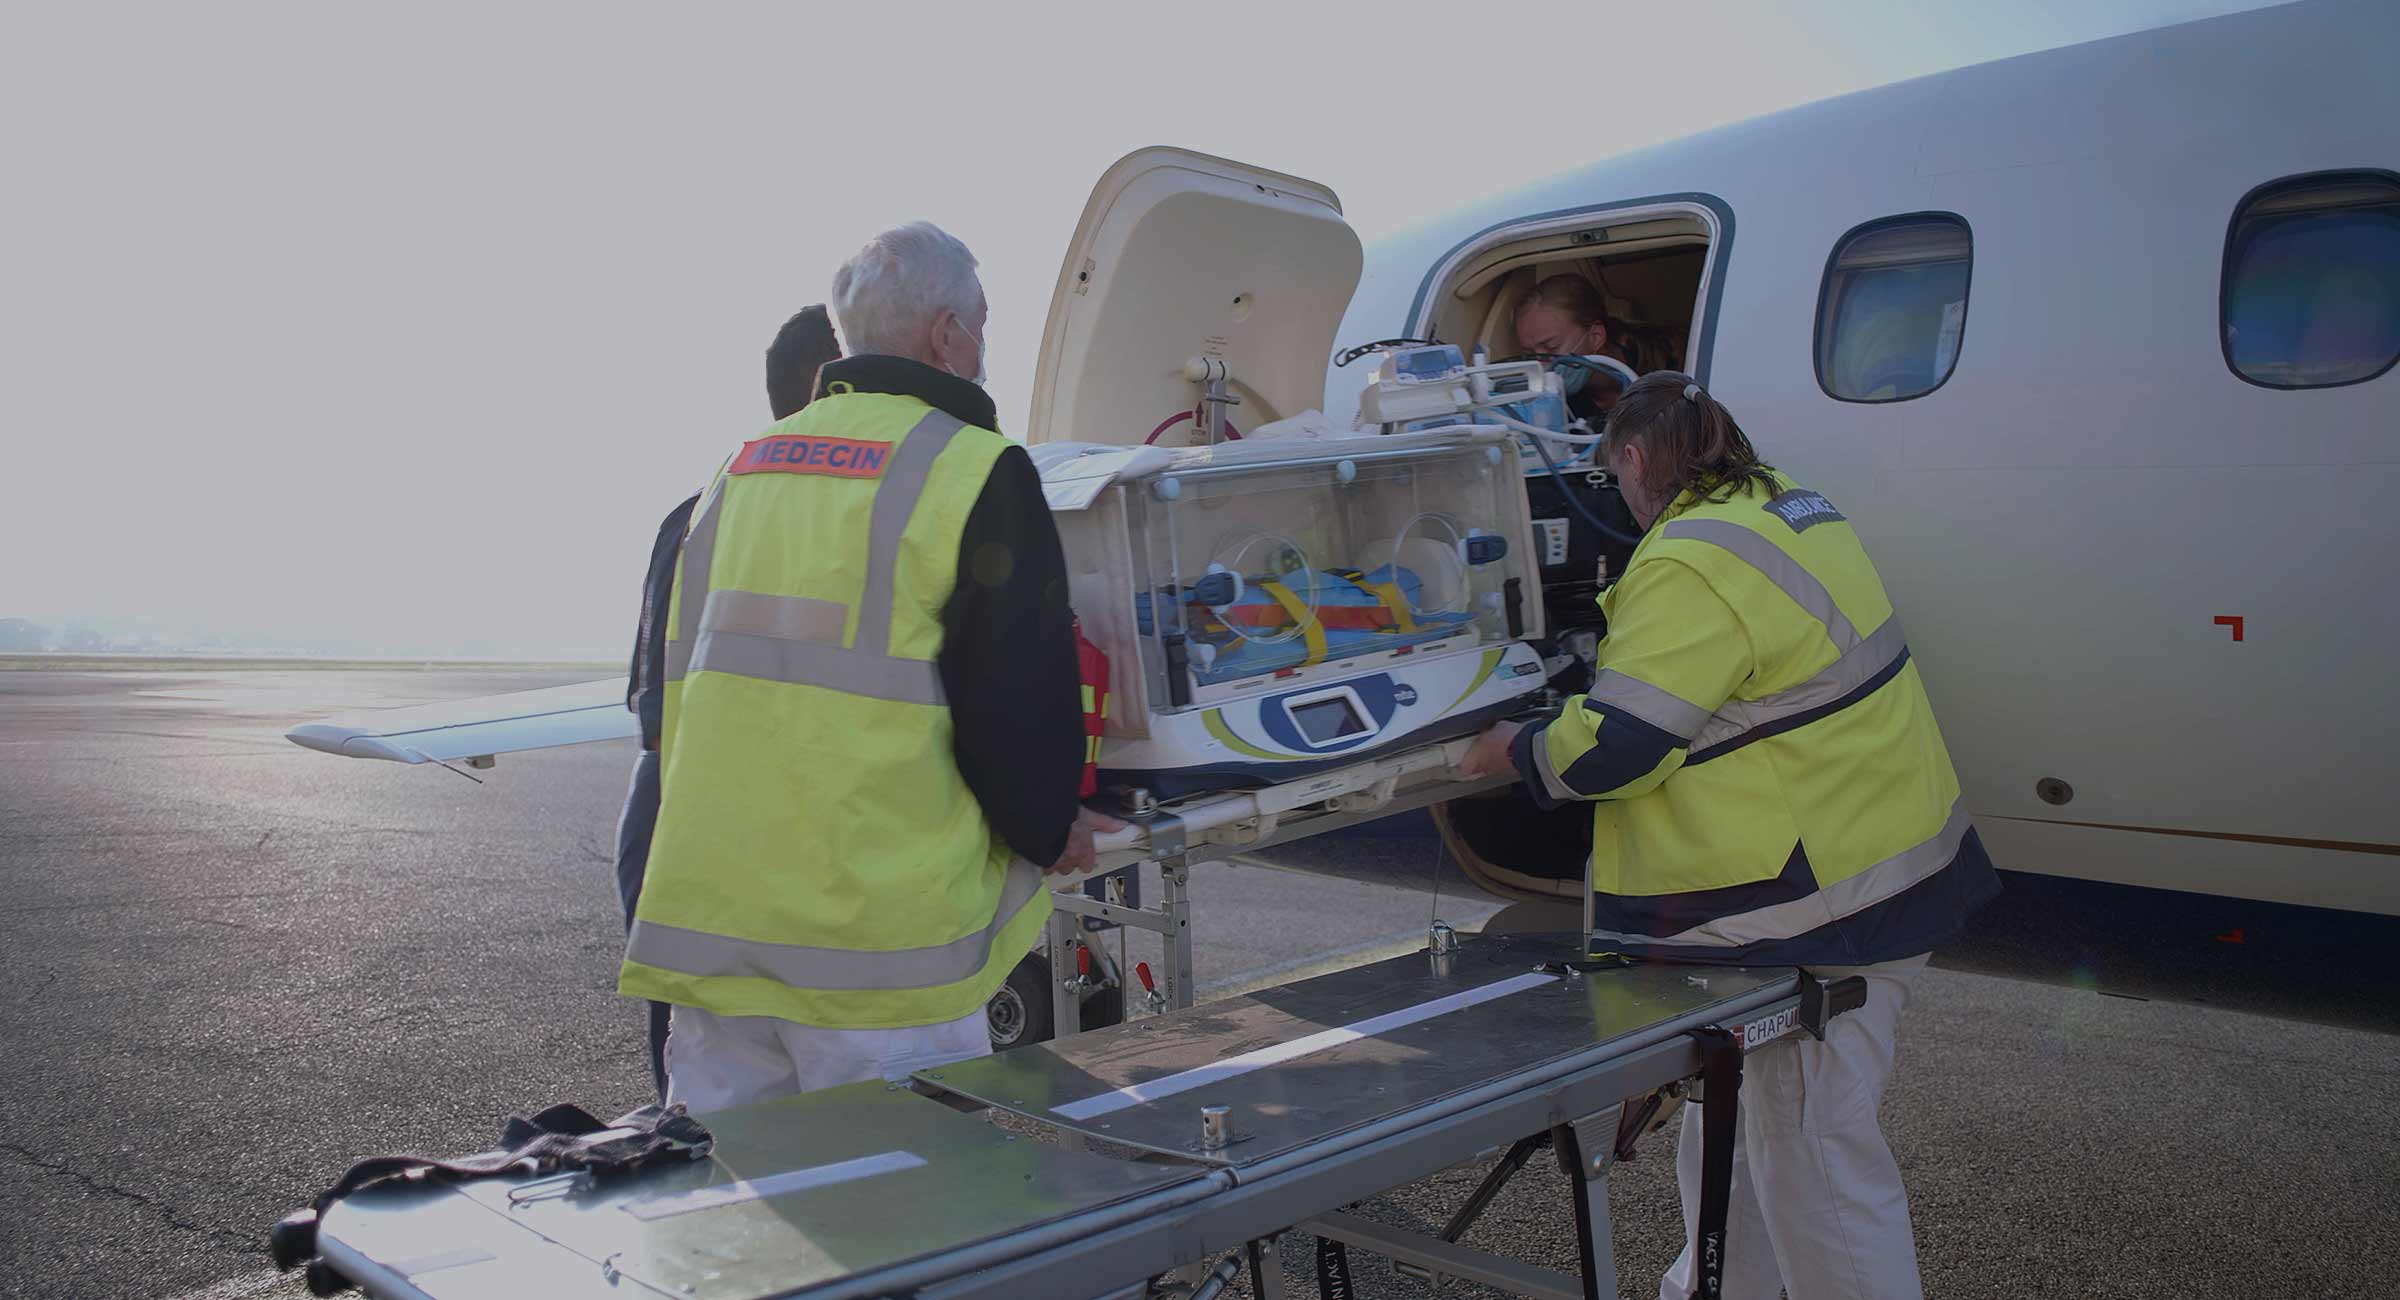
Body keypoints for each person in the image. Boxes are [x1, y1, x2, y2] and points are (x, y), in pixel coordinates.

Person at [1459, 372, 1999, 1300]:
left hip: (1818, 910)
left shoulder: (1687, 559)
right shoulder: (1784, 506)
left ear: (1633, 459)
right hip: (1880, 864)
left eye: (1615, 480)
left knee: (1817, 1163)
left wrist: (1516, 749)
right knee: (1740, 1140)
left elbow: (1620, 748)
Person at [619, 221, 1118, 1111]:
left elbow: (685, 694)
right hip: (875, 955)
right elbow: (1012, 701)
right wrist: (1051, 826)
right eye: (981, 325)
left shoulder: (737, 472)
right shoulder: (972, 468)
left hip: (720, 936)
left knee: (729, 1225)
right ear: (943, 333)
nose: (983, 346)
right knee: (907, 1216)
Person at [613, 305, 843, 1101]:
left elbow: (655, 717)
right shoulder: (864, 510)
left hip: (687, 853)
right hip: (745, 862)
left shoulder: (704, 507)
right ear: (831, 384)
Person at [1512, 274, 1629, 423]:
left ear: (1595, 336)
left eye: (1551, 347)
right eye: (1529, 354)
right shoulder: (1555, 407)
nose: (1541, 366)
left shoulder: (1654, 367)